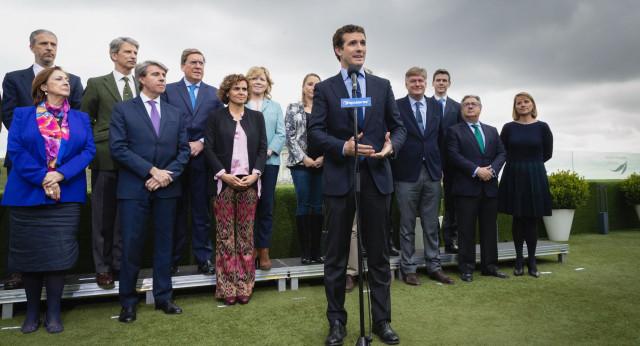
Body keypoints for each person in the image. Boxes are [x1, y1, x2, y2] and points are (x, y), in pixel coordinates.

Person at [308, 24, 406, 345]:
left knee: (378, 256)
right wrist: (343, 146)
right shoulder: (325, 89)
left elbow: (399, 127)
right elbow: (315, 134)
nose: (359, 48)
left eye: (363, 43)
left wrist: (393, 147)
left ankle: (382, 321)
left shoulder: (382, 86)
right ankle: (336, 322)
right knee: (336, 257)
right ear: (338, 49)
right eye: (352, 43)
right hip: (339, 179)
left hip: (377, 179)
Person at [2, 67, 95, 333]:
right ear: (43, 86)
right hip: (26, 195)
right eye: (59, 78)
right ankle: (31, 312)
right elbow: (16, 150)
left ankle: (53, 312)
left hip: (66, 197)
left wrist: (60, 175)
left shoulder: (80, 118)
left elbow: (88, 150)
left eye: (67, 79)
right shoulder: (22, 115)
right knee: (29, 257)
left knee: (58, 257)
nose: (66, 82)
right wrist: (45, 178)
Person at [1, 29, 84, 290]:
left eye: (53, 44)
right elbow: (10, 119)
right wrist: (43, 171)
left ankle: (56, 281)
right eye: (44, 44)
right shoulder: (15, 78)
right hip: (27, 166)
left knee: (57, 239)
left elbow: (76, 128)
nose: (49, 48)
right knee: (24, 234)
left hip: (63, 170)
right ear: (32, 47)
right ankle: (19, 273)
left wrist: (57, 170)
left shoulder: (75, 80)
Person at [110, 61, 190, 323]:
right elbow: (119, 148)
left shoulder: (175, 113)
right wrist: (151, 171)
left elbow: (183, 151)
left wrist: (165, 176)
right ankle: (128, 303)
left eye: (164, 75)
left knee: (164, 247)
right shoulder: (123, 109)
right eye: (156, 74)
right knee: (131, 247)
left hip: (167, 189)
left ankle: (164, 297)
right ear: (141, 79)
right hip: (135, 189)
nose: (162, 78)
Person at [203, 74, 267, 306]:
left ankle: (245, 285)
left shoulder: (257, 118)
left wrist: (255, 174)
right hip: (224, 183)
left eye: (244, 88)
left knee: (246, 237)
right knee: (225, 237)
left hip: (249, 183)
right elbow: (208, 149)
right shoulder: (215, 117)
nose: (241, 92)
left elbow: (262, 149)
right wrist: (223, 174)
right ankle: (227, 286)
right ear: (227, 92)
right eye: (236, 88)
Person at [81, 37, 139, 287]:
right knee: (103, 218)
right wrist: (96, 144)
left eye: (136, 52)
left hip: (137, 160)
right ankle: (103, 268)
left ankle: (118, 265)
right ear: (113, 55)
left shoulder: (142, 83)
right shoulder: (96, 83)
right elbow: (84, 119)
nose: (133, 56)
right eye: (128, 51)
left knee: (125, 218)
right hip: (105, 158)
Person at [163, 49, 224, 275]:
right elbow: (164, 122)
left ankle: (204, 259)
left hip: (202, 161)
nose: (198, 66)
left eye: (201, 63)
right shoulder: (168, 91)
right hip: (175, 161)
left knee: (201, 213)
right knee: (175, 213)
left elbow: (218, 125)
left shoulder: (214, 94)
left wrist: (201, 142)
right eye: (193, 62)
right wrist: (184, 144)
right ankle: (171, 260)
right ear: (182, 66)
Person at [391, 67, 454, 286]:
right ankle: (408, 268)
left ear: (426, 84)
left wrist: (442, 167)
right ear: (406, 84)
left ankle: (434, 266)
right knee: (407, 224)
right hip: (406, 173)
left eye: (420, 81)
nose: (417, 84)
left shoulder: (436, 106)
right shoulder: (397, 106)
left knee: (431, 224)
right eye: (413, 81)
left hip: (433, 172)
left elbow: (441, 139)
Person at [446, 95, 508, 282]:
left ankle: (490, 267)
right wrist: (476, 170)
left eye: (474, 104)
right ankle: (466, 269)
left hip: (489, 187)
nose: (470, 107)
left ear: (480, 108)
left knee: (489, 230)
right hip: (466, 189)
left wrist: (493, 170)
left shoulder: (492, 130)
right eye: (466, 105)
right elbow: (453, 155)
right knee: (466, 230)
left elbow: (502, 152)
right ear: (462, 110)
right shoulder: (453, 131)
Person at [498, 92, 553, 278]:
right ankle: (519, 260)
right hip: (513, 173)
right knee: (518, 217)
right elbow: (501, 151)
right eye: (519, 103)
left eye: (526, 102)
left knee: (531, 218)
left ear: (532, 105)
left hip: (535, 173)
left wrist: (531, 166)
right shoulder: (508, 127)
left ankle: (532, 260)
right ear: (515, 107)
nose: (523, 105)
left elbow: (548, 153)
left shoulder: (543, 127)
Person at [245, 66, 285, 270]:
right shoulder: (240, 103)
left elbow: (281, 133)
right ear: (248, 82)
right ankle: (249, 249)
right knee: (248, 207)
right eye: (254, 78)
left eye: (262, 79)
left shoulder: (275, 106)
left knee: (266, 207)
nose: (258, 82)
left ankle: (264, 250)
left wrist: (267, 153)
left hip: (269, 163)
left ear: (268, 84)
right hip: (245, 165)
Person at [285, 73, 325, 265]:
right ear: (303, 87)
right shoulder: (293, 108)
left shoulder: (326, 109)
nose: (313, 88)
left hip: (322, 163)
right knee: (304, 205)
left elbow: (332, 133)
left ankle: (317, 251)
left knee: (318, 206)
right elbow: (290, 137)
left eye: (317, 85)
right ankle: (306, 252)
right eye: (310, 84)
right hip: (300, 165)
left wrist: (324, 157)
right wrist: (305, 158)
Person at [431, 69, 462, 254]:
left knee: (452, 204)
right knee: (431, 204)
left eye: (444, 80)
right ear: (433, 83)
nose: (441, 83)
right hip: (431, 160)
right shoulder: (425, 104)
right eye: (438, 80)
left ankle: (450, 241)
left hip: (452, 162)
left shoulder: (457, 107)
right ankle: (433, 242)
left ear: (449, 84)